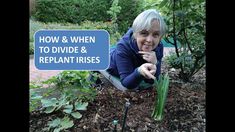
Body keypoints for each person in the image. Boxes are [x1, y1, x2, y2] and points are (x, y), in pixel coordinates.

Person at [106, 9, 167, 90]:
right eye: (144, 33)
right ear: (135, 34)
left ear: (160, 37)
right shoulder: (123, 46)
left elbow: (154, 80)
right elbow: (126, 83)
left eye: (155, 34)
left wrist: (156, 63)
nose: (149, 40)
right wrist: (139, 72)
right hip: (111, 60)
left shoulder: (159, 46)